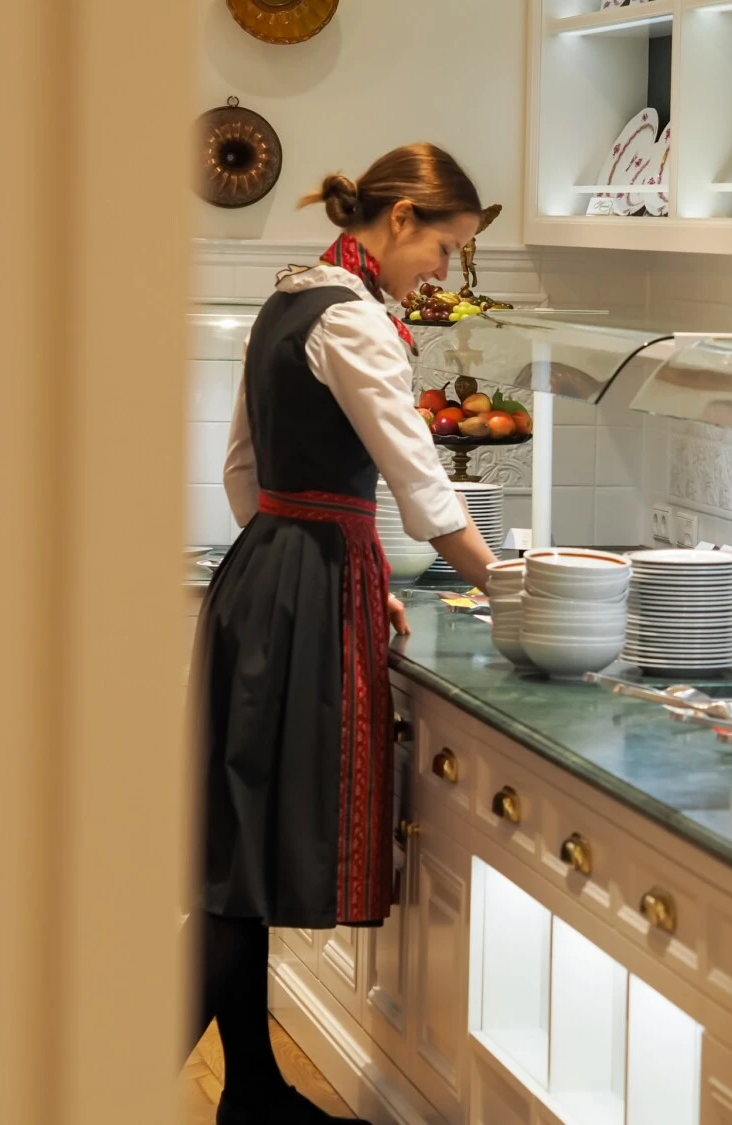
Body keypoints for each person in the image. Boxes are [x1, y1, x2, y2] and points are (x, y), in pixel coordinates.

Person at [188, 143, 498, 1124]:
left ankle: (252, 1094)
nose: (441, 275)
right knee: (245, 870)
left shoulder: (287, 298)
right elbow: (425, 493)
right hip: (300, 594)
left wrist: (310, 559)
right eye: (445, 251)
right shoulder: (357, 322)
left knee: (243, 858)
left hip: (261, 582)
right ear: (401, 219)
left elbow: (244, 472)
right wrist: (510, 587)